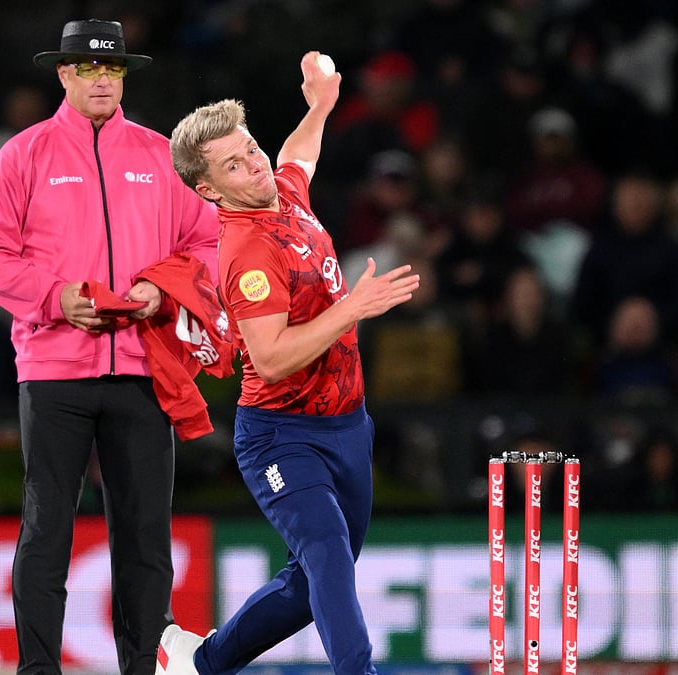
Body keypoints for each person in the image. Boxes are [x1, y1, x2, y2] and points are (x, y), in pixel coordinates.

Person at [0, 19, 220, 675]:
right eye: (88, 68)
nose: (102, 80)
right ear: (64, 74)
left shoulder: (162, 155)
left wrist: (164, 286)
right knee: (47, 530)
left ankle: (144, 668)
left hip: (142, 368)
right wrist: (56, 298)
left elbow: (211, 241)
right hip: (55, 371)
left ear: (123, 76)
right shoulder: (24, 154)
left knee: (145, 537)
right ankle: (38, 670)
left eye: (113, 68)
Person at [161, 52, 421, 675]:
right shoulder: (248, 252)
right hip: (281, 434)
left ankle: (200, 663)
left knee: (314, 580)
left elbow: (297, 156)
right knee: (327, 552)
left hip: (348, 424)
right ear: (208, 189)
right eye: (234, 164)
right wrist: (351, 309)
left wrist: (320, 107)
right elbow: (272, 358)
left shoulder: (281, 192)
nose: (255, 164)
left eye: (250, 149)